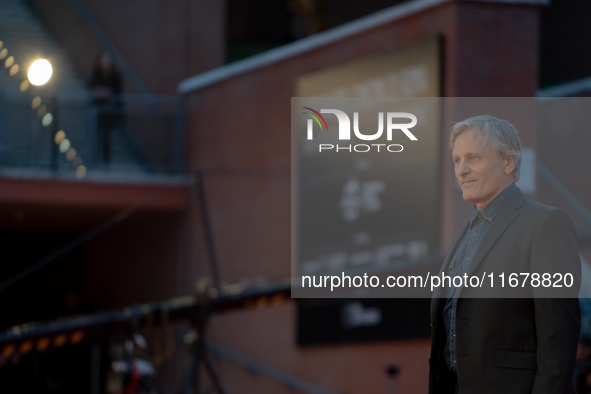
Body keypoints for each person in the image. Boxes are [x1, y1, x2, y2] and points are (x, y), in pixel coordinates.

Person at [428, 115, 581, 394]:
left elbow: (557, 336)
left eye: (473, 158)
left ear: (508, 162)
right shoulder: (461, 239)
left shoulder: (545, 224)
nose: (461, 170)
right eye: (457, 160)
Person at [89, 50, 123, 164]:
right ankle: (93, 161)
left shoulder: (115, 77)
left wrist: (103, 92)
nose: (106, 62)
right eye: (104, 59)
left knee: (106, 138)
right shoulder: (96, 75)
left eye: (108, 59)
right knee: (95, 137)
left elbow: (117, 94)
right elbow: (93, 91)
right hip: (96, 113)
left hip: (109, 114)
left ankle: (105, 163)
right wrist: (107, 92)